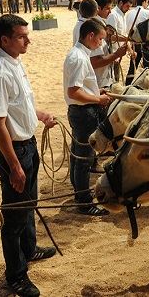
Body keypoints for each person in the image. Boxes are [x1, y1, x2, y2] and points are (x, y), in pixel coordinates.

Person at [0, 14, 57, 297]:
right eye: (22, 36)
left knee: (29, 203)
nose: (28, 40)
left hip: (27, 143)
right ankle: (16, 275)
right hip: (13, 149)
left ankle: (30, 249)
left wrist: (40, 115)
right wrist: (13, 165)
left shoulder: (15, 62)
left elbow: (20, 105)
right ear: (5, 40)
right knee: (14, 215)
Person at [63, 19, 113, 216]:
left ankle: (79, 192)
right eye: (100, 39)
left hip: (82, 109)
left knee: (78, 154)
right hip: (84, 112)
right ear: (90, 36)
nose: (101, 44)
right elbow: (74, 91)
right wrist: (97, 98)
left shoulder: (79, 54)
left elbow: (80, 87)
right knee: (84, 158)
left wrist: (95, 90)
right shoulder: (79, 58)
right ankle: (84, 201)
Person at [126, 0, 149, 82]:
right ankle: (147, 84)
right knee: (147, 67)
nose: (147, 4)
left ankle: (128, 83)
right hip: (145, 43)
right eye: (147, 2)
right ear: (144, 2)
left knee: (133, 65)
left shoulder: (129, 13)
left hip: (133, 43)